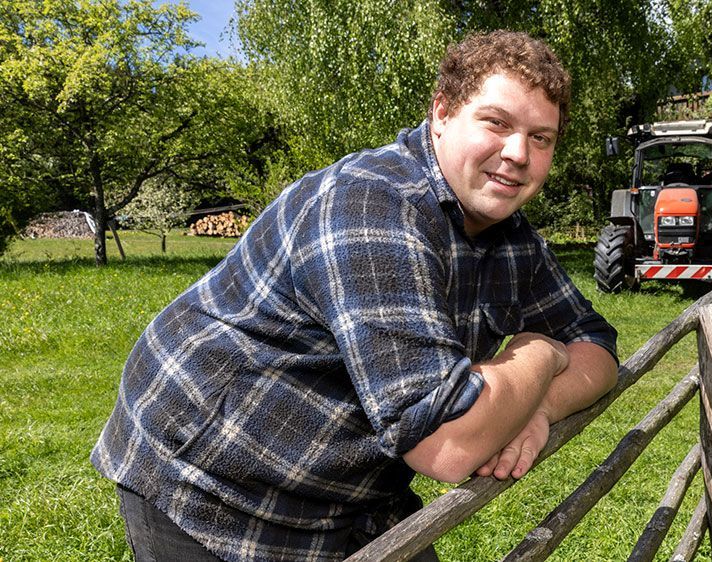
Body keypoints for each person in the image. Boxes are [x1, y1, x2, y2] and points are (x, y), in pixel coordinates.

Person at [91, 30, 618, 562]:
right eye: (497, 122)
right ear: (441, 113)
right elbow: (451, 443)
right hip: (212, 479)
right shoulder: (371, 205)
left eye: (541, 137)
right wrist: (541, 353)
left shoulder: (510, 236)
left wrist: (538, 405)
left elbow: (595, 341)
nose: (518, 153)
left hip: (352, 491)